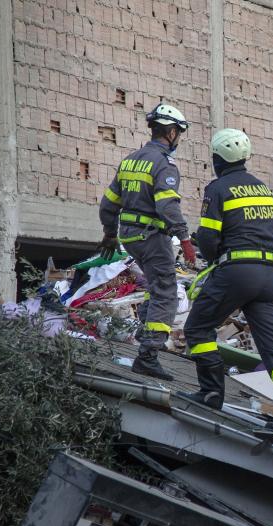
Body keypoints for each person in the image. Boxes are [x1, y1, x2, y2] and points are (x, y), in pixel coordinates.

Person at [183, 128, 273, 437]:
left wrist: (211, 261)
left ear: (217, 159)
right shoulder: (263, 189)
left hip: (237, 270)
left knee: (197, 328)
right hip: (269, 276)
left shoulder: (218, 188)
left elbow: (209, 236)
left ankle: (211, 393)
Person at [97, 103, 196, 380]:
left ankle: (144, 331)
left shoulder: (130, 160)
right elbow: (167, 207)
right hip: (153, 236)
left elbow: (108, 203)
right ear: (172, 132)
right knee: (166, 290)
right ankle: (149, 354)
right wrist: (185, 239)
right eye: (179, 133)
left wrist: (109, 233)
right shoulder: (164, 164)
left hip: (129, 236)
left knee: (154, 286)